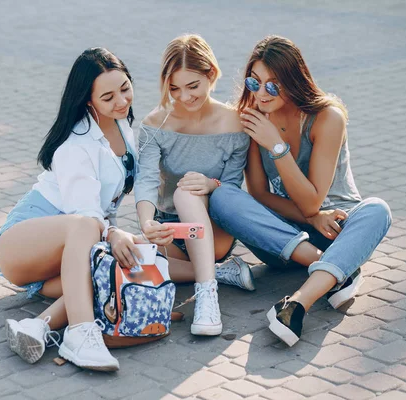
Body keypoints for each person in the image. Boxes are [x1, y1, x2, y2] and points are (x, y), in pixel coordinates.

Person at [209, 35, 392, 346]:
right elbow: (262, 196)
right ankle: (337, 270)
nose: (262, 94)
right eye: (255, 83)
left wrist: (277, 147)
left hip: (338, 226)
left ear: (294, 81)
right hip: (282, 239)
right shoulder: (253, 120)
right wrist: (310, 218)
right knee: (222, 196)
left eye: (273, 85)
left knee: (377, 210)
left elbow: (314, 199)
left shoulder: (326, 117)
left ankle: (296, 304)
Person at [0, 48, 144, 370]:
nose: (121, 101)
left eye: (125, 88)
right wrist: (113, 232)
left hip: (64, 255)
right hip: (22, 244)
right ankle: (80, 333)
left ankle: (38, 326)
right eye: (108, 96)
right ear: (88, 100)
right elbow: (86, 215)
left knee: (122, 265)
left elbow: (106, 208)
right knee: (88, 227)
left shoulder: (122, 127)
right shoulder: (75, 145)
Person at [135, 34, 255, 337]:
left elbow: (230, 188)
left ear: (211, 75)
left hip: (215, 230)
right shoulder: (155, 123)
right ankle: (222, 272)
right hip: (171, 234)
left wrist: (209, 183)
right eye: (174, 88)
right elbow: (147, 179)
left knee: (186, 191)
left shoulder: (233, 122)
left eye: (193, 86)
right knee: (126, 255)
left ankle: (207, 296)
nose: (184, 96)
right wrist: (146, 221)